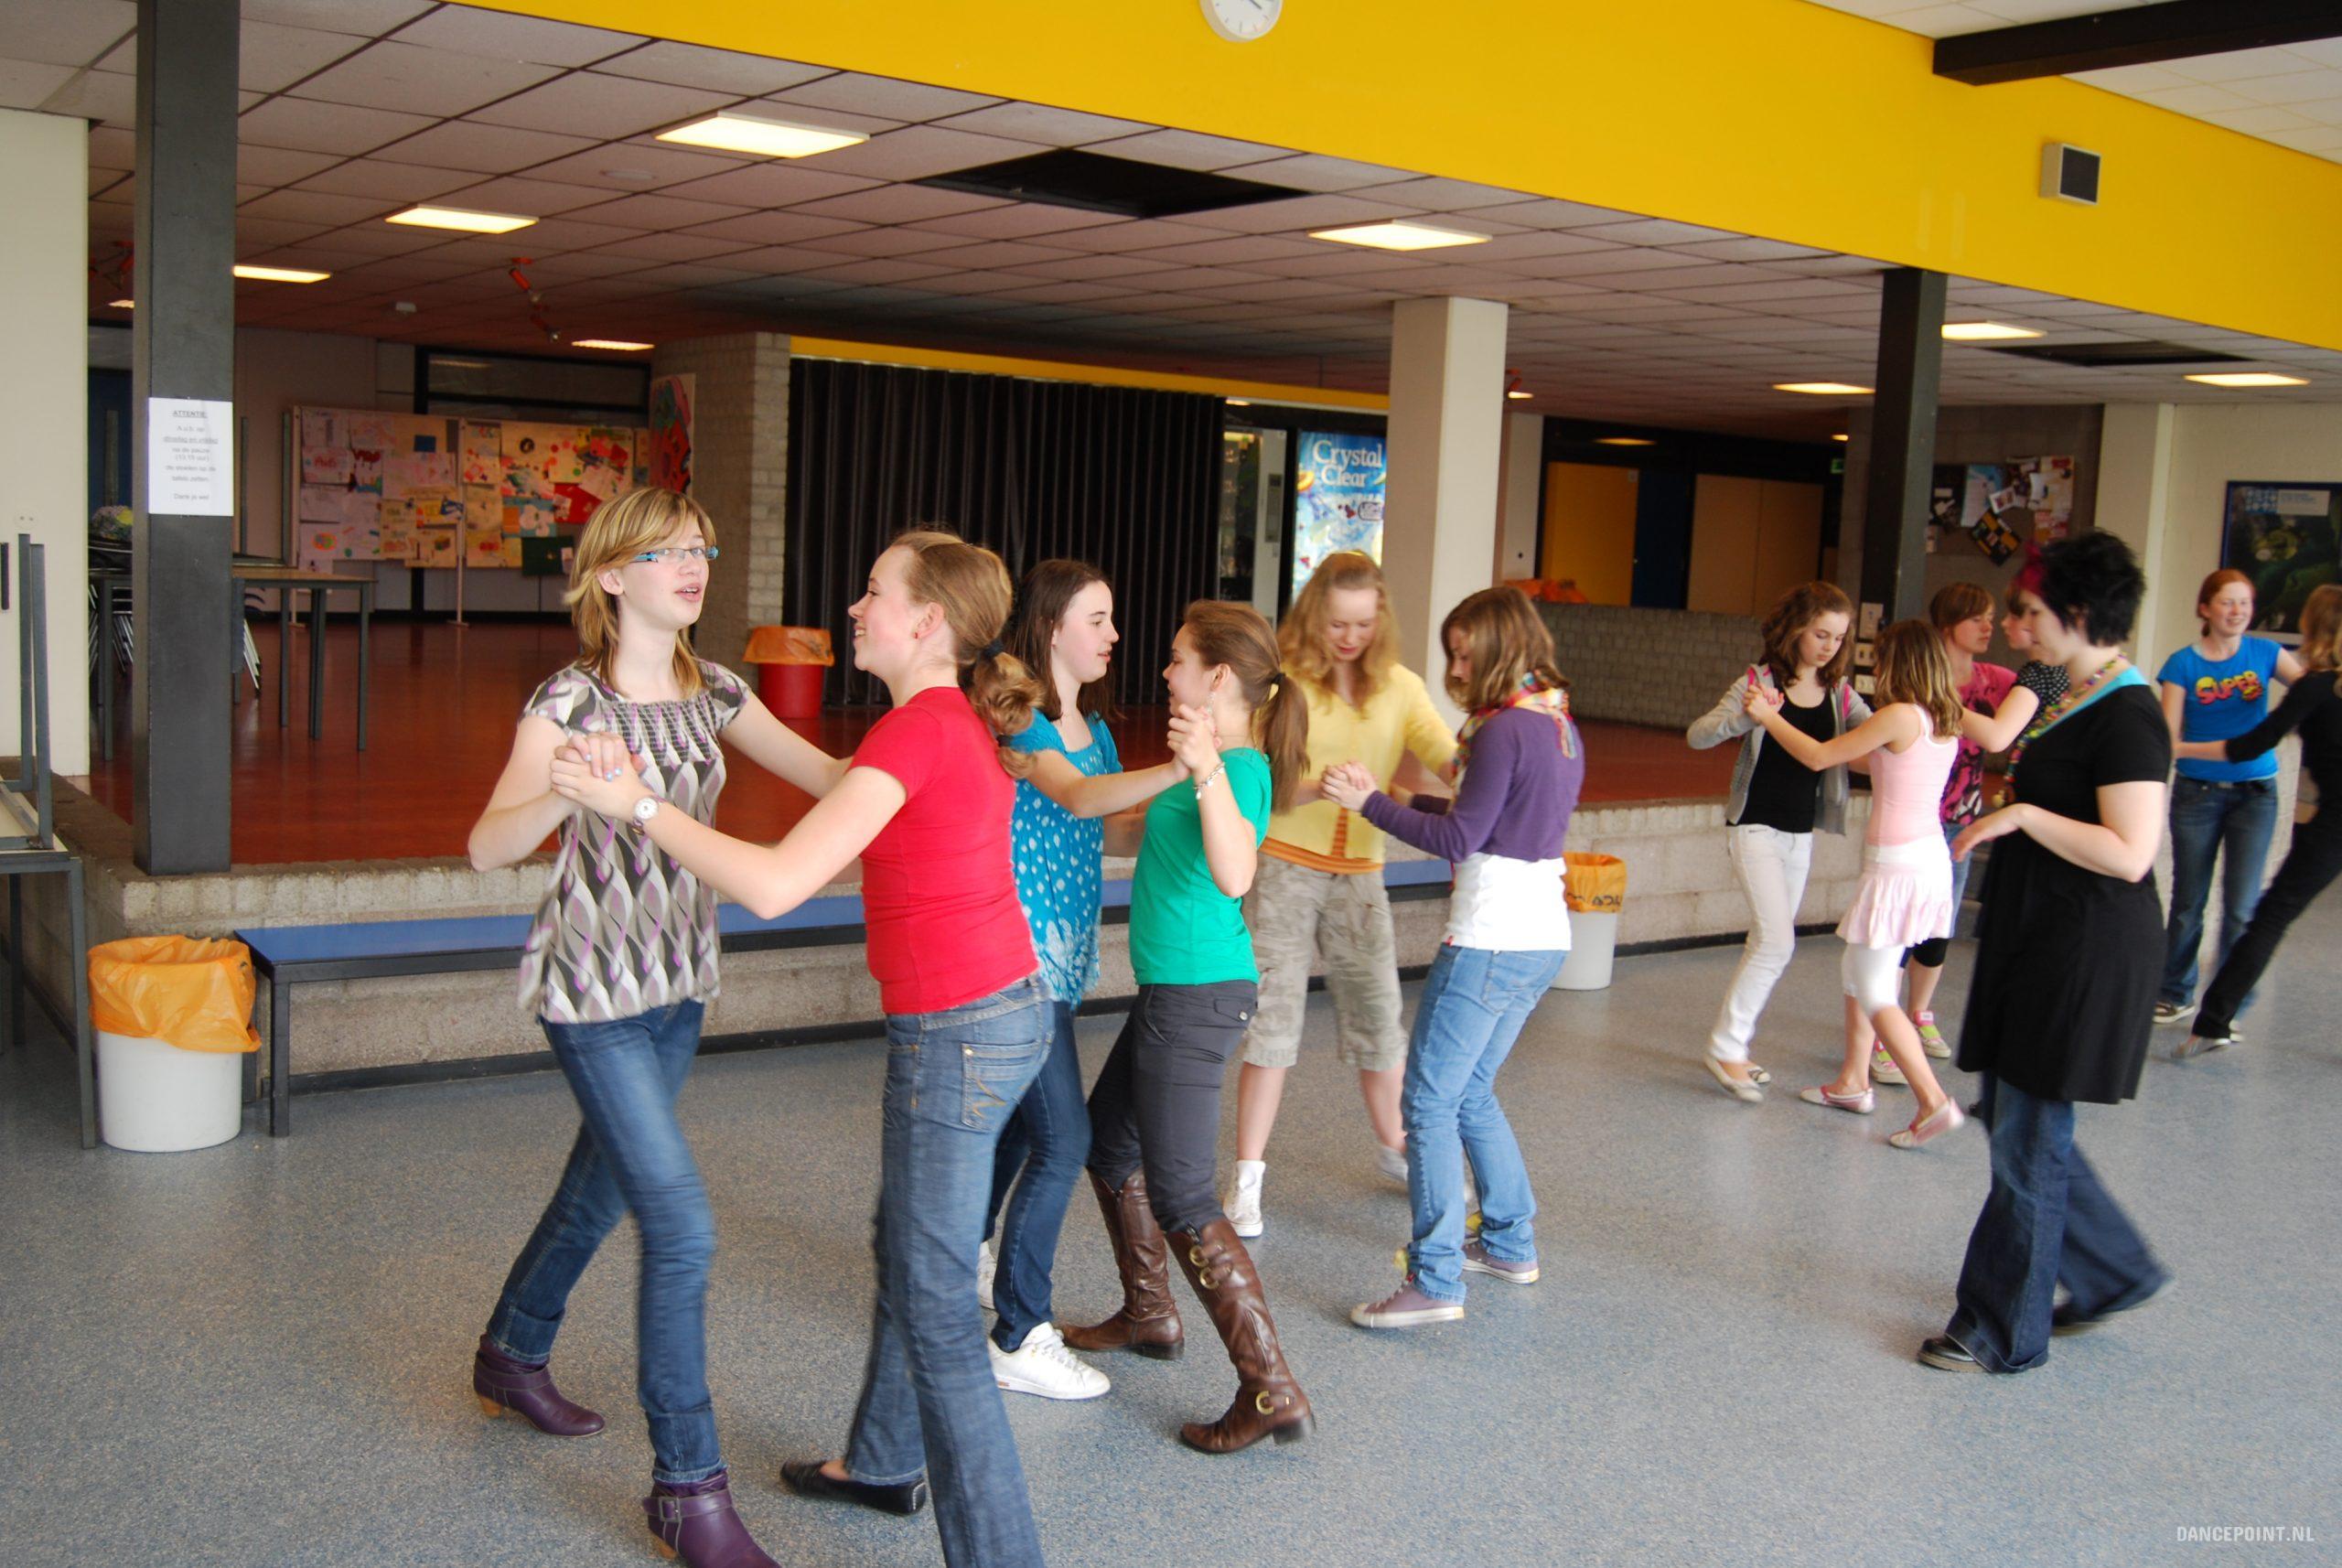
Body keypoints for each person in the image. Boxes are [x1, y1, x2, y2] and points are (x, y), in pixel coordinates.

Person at [553, 529, 1052, 1568]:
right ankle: (882, 1461)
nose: (855, 607)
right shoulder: (939, 720)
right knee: (909, 1244)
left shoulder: (918, 730)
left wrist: (635, 802)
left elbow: (775, 885)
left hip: (960, 1036)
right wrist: (695, 736)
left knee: (936, 1308)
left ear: (926, 620)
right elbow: (838, 785)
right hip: (997, 1017)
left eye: (874, 592)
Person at [468, 488, 842, 1568]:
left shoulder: (715, 689)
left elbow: (834, 779)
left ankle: (511, 1353)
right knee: (677, 1221)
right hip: (591, 986)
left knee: (598, 1192)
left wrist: (952, 755)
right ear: (609, 576)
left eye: (700, 548)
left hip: (677, 979)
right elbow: (488, 846)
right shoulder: (568, 701)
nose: (693, 565)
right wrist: (570, 794)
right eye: (666, 552)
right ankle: (687, 1488)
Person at [1063, 601, 1316, 1451]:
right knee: (1109, 1143)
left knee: (1180, 1195)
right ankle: (1148, 1313)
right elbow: (1142, 830)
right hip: (1174, 990)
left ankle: (1269, 1387)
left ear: (1218, 676)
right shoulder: (1207, 763)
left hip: (1198, 996)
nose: (1165, 671)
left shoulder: (1238, 768)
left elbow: (1236, 871)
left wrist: (1204, 770)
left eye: (1178, 660)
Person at [1920, 532, 2172, 1375]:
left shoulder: (2129, 713)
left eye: (2032, 610)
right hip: (2040, 931)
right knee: (2015, 1115)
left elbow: (2130, 852)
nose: (2019, 626)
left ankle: (1999, 1329)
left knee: (2029, 1132)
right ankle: (2115, 1269)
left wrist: (2023, 816)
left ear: (2078, 613)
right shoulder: (2068, 689)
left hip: (2085, 944)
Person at [1325, 587, 1585, 1328]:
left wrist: (1371, 805)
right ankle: (1508, 1241)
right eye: (1454, 655)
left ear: (1502, 647)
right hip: (1540, 935)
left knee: (1430, 1102)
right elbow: (1496, 821)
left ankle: (1435, 1277)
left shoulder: (1502, 731)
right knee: (1469, 1092)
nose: (1458, 669)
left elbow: (1462, 840)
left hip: (1490, 936)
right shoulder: (1555, 720)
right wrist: (1408, 799)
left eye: (1467, 655)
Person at [976, 560, 1186, 1402]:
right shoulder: (1023, 722)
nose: (1113, 635)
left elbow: (1111, 810)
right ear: (1053, 627)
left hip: (1062, 954)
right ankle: (1019, 1330)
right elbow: (1080, 799)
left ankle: (962, 1250)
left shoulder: (1094, 727)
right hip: (1018, 958)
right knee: (1063, 1138)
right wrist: (1183, 768)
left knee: (1025, 1131)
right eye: (1096, 619)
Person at [1227, 552, 1457, 1236]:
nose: (1350, 637)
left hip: (1360, 874)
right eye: (1337, 624)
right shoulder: (1287, 686)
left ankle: (1398, 1147)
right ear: (1313, 617)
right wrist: (1317, 788)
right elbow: (1256, 777)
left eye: (1363, 623)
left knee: (1379, 1015)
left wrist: (1500, 757)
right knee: (1272, 1023)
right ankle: (1246, 1177)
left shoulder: (1401, 688)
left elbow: (1448, 756)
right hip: (1284, 868)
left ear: (1380, 618)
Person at [1748, 620, 1966, 1150]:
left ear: (1899, 662)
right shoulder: (1941, 720)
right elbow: (1870, 760)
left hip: (1898, 865)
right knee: (1859, 969)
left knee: (1873, 988)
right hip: (1925, 861)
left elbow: (1820, 756)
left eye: (1880, 658)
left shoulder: (1899, 715)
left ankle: (1932, 1101)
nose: (1875, 668)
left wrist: (1768, 717)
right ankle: (1852, 1081)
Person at [1685, 581, 1873, 1102]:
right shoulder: (1758, 682)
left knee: (1767, 942)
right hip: (1754, 828)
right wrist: (1745, 717)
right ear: (1795, 630)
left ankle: (1735, 1045)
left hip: (1798, 834)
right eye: (1821, 634)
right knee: (1777, 942)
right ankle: (1725, 1047)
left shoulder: (1839, 693)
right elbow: (1698, 735)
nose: (1830, 646)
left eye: (1839, 637)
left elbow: (1877, 733)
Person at [2179, 583, 2342, 1057]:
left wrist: (2179, 747)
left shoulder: (2316, 688)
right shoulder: (2316, 686)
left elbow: (2250, 745)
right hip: (2332, 820)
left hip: (2335, 822)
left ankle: (2213, 1022)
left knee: (2270, 919)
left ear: (2312, 627)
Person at [2153, 570, 2306, 1027]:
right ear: (2205, 608)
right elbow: (2168, 739)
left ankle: (2227, 1002)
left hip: (2256, 794)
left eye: (2245, 602)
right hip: (2196, 794)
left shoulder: (2267, 653)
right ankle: (2175, 991)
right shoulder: (2182, 664)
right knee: (2188, 901)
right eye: (2227, 602)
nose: (2237, 611)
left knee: (2241, 907)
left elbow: (2310, 692)